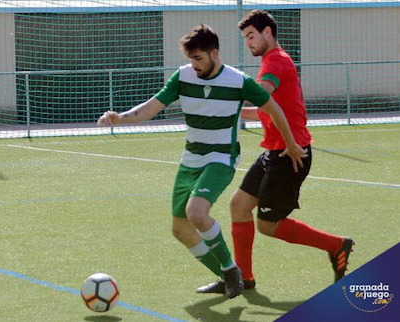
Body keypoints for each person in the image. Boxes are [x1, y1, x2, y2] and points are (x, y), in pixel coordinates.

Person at [98, 24, 306, 299]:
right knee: (181, 229)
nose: (194, 65)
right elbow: (151, 107)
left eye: (198, 59)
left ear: (214, 53)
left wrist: (291, 144)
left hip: (221, 158)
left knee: (197, 213)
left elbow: (274, 108)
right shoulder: (183, 77)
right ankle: (225, 276)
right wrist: (119, 117)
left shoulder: (238, 81)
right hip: (191, 159)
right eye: (190, 59)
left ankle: (232, 271)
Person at [196, 10, 354, 295]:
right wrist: (228, 112)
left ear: (268, 32)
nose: (249, 43)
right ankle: (244, 277)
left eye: (251, 36)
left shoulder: (276, 61)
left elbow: (260, 91)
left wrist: (219, 90)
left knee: (268, 226)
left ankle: (336, 245)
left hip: (290, 154)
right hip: (274, 151)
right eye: (245, 38)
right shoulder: (271, 61)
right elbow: (264, 109)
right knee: (238, 206)